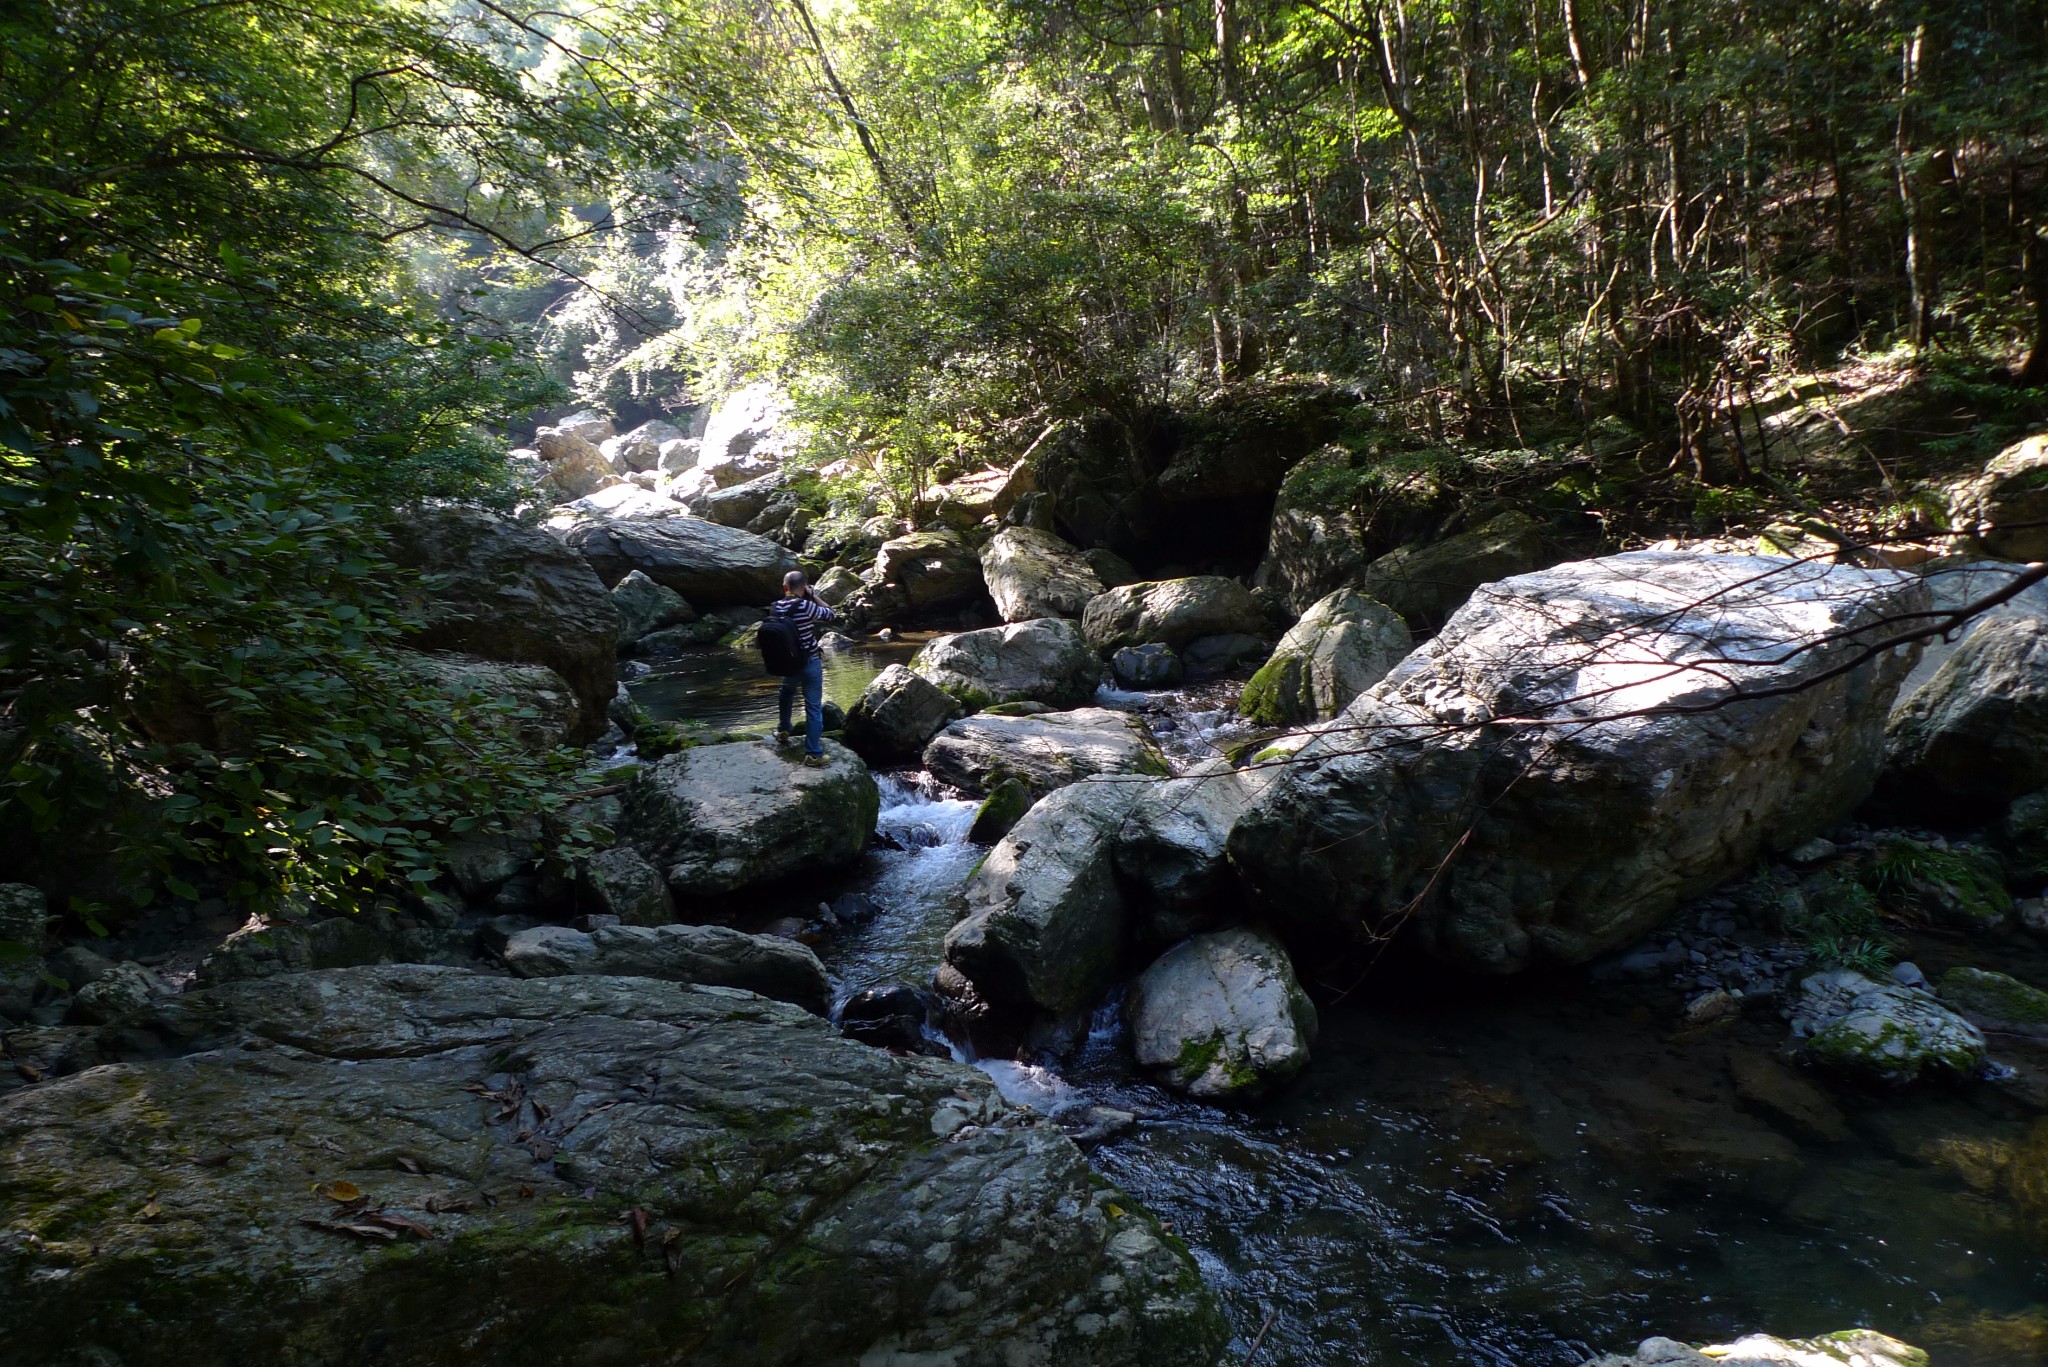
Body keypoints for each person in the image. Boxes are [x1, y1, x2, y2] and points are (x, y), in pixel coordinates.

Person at [770, 569, 836, 765]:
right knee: (813, 708)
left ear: (785, 587)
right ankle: (813, 754)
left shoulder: (775, 607)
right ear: (804, 588)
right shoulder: (807, 606)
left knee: (786, 692)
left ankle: (783, 729)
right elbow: (831, 615)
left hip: (788, 664)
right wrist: (815, 597)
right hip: (810, 662)